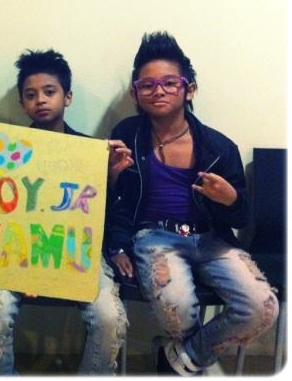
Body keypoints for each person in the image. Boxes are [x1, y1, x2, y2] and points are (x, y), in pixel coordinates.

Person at [105, 31, 279, 376]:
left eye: (170, 83)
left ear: (190, 89)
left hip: (212, 239)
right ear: (135, 93)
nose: (158, 91)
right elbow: (112, 201)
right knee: (178, 308)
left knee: (262, 307)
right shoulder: (127, 134)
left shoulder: (219, 147)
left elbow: (243, 218)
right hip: (154, 238)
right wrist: (117, 242)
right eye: (147, 85)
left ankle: (179, 358)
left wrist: (230, 198)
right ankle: (193, 361)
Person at [0, 49, 133, 375]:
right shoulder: (6, 149)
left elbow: (101, 214)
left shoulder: (90, 151)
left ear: (67, 97)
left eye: (50, 92)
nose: (41, 101)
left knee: (110, 317)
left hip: (77, 250)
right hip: (17, 249)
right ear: (22, 103)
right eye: (31, 95)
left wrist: (113, 176)